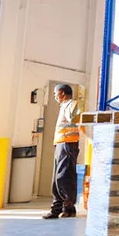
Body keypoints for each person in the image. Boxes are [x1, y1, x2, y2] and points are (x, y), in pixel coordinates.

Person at [43, 84, 82, 219]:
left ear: (63, 93)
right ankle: (57, 207)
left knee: (64, 176)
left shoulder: (72, 104)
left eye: (56, 93)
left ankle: (68, 208)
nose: (55, 96)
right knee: (57, 178)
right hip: (61, 143)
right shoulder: (64, 106)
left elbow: (75, 118)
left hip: (68, 143)